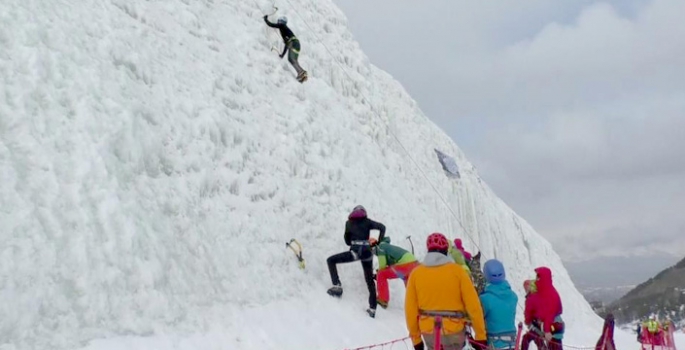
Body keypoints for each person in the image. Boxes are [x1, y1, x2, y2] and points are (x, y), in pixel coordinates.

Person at [405, 232, 486, 350]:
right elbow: (473, 306)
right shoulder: (458, 272)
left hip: (429, 331)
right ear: (446, 250)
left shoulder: (416, 274)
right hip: (454, 331)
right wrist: (480, 335)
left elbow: (410, 309)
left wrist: (416, 339)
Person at [326, 205, 385, 318]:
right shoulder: (367, 221)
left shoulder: (348, 223)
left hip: (355, 253)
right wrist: (378, 242)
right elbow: (382, 227)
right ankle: (372, 309)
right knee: (369, 282)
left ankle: (337, 286)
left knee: (331, 260)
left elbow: (347, 241)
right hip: (367, 253)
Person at [371, 236, 419, 309]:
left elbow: (382, 266)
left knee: (381, 274)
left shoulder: (381, 247)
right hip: (414, 264)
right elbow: (390, 267)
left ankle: (382, 300)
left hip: (405, 265)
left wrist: (377, 275)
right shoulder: (386, 246)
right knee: (409, 285)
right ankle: (419, 304)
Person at [479, 259, 518, 350]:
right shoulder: (513, 296)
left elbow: (479, 319)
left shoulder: (484, 299)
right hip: (512, 343)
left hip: (494, 343)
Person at [524, 267, 564, 350]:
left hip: (549, 326)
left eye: (538, 276)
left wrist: (546, 331)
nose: (536, 278)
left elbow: (549, 314)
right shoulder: (550, 291)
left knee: (527, 339)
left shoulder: (544, 293)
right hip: (555, 325)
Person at [262, 15, 308, 82]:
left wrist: (266, 19)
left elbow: (271, 25)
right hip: (296, 44)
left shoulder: (282, 26)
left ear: (282, 22)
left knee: (291, 59)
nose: (278, 22)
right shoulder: (285, 31)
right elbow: (287, 45)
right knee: (291, 59)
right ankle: (301, 73)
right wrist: (282, 55)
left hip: (293, 43)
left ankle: (301, 72)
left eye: (279, 21)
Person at [521, 279, 544, 350]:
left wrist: (527, 321)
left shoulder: (530, 298)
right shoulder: (538, 295)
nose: (525, 289)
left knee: (527, 339)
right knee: (536, 340)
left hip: (536, 324)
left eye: (526, 287)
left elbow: (528, 312)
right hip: (539, 324)